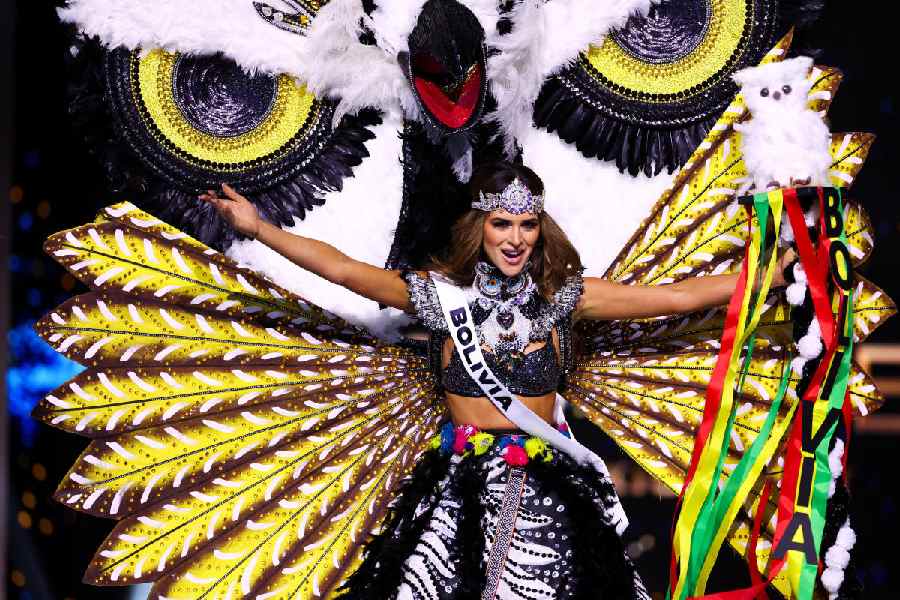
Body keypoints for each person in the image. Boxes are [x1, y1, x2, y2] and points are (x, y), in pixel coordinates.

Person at [199, 161, 790, 599]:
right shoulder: (440, 296)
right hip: (457, 487)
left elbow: (676, 297)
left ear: (541, 229)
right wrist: (260, 228)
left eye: (527, 225)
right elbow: (344, 271)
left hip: (546, 486)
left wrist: (777, 268)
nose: (515, 238)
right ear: (480, 226)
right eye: (502, 223)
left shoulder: (564, 298)